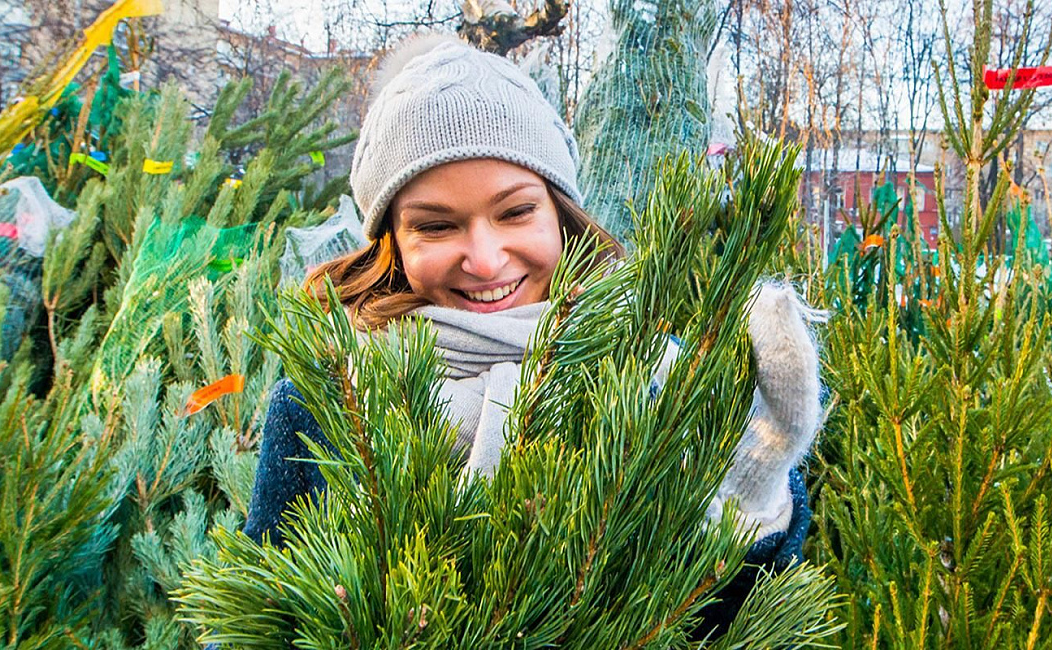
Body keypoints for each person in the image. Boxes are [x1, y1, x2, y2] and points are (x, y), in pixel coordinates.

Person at [242, 33, 823, 636]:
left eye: (515, 211)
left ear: (560, 213)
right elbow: (255, 622)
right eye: (436, 226)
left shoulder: (655, 381)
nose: (486, 260)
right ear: (392, 241)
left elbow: (736, 628)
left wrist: (747, 505)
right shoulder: (332, 397)